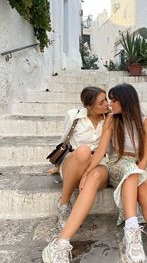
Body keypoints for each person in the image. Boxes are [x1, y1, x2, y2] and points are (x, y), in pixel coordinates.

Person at [80, 83, 147, 263]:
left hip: (137, 166)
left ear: (126, 101)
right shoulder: (111, 120)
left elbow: (144, 160)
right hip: (117, 163)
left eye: (114, 100)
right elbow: (101, 151)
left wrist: (142, 173)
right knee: (132, 173)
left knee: (144, 188)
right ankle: (132, 233)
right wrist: (87, 171)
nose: (110, 104)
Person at [42, 86, 110, 263]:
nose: (106, 104)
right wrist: (58, 166)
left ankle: (62, 241)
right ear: (89, 105)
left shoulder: (110, 118)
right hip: (75, 162)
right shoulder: (74, 115)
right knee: (83, 151)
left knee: (93, 168)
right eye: (101, 102)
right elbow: (63, 141)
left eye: (107, 100)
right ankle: (64, 203)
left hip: (98, 164)